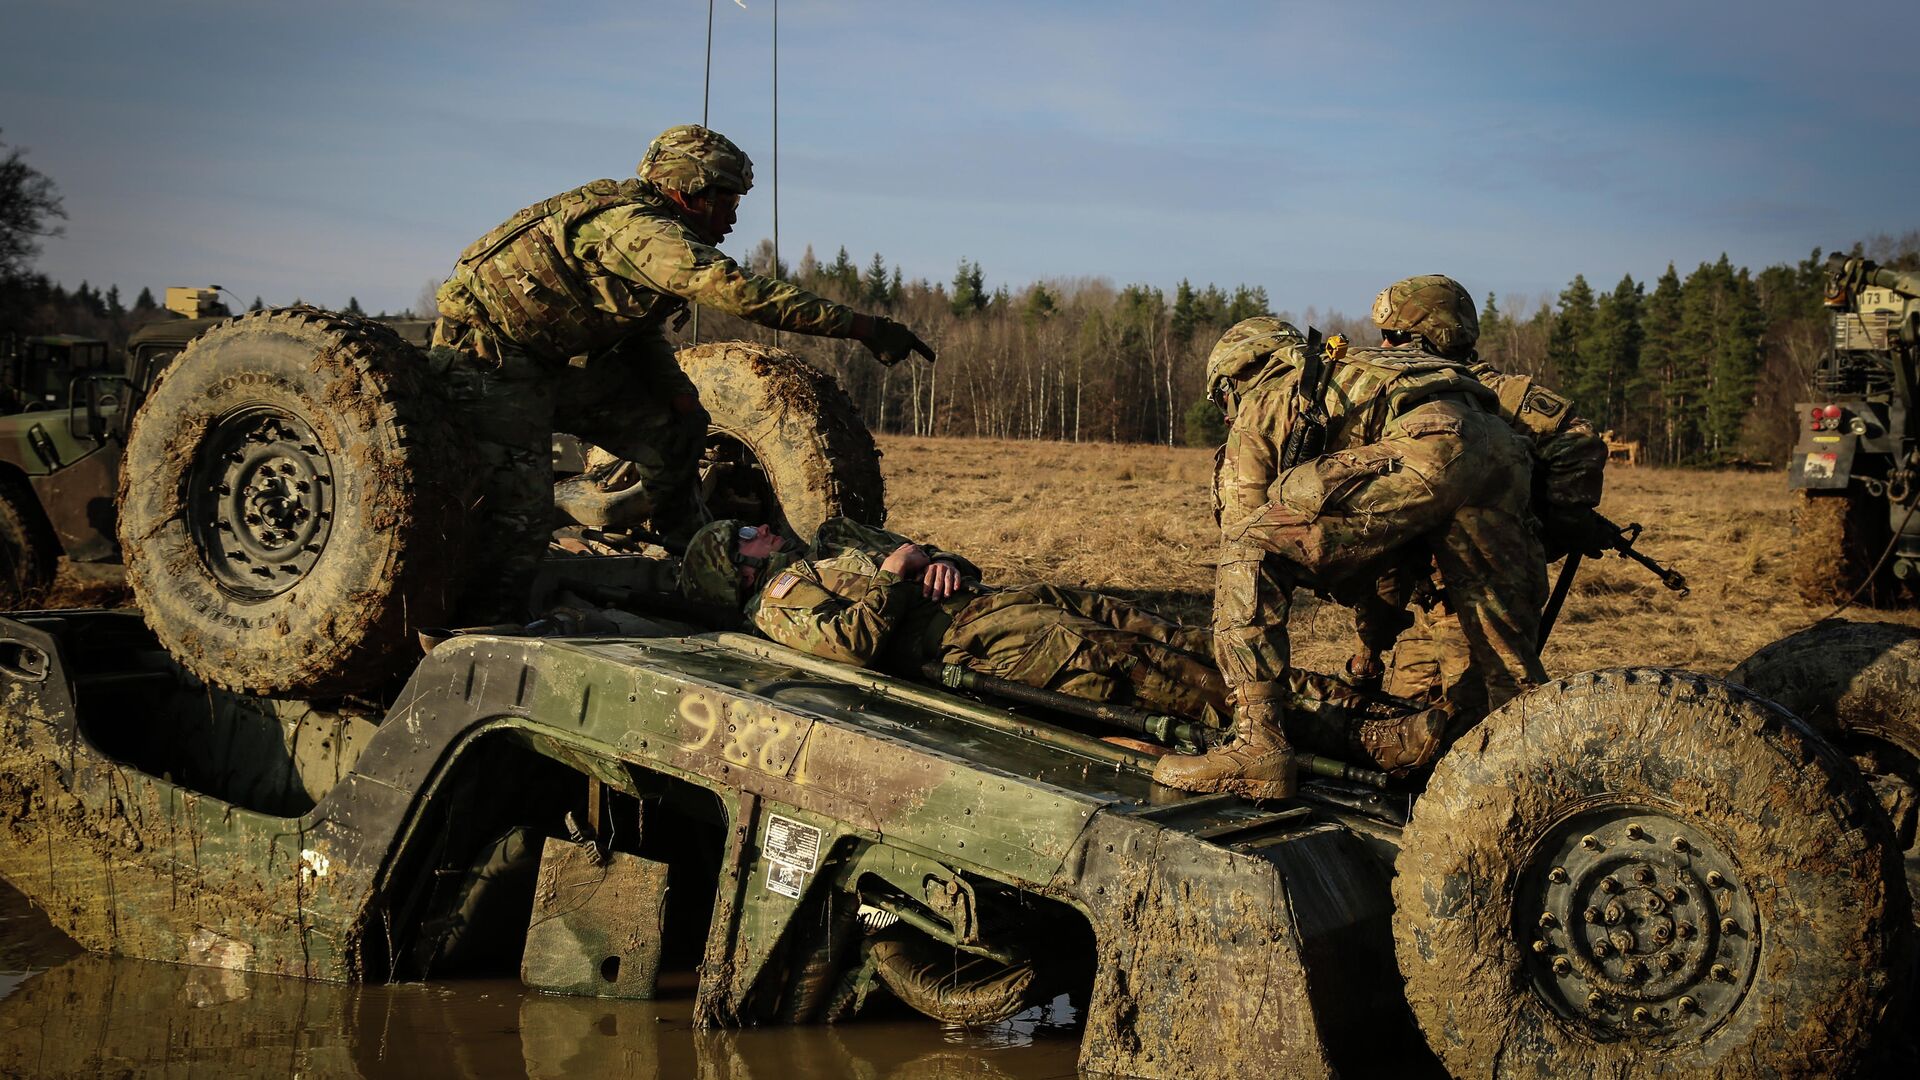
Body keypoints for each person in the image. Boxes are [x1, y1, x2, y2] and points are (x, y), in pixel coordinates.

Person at [430, 124, 934, 619]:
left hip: (556, 364)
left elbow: (633, 328)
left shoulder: (656, 232)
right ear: (687, 191)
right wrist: (862, 326)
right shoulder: (639, 230)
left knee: (675, 429)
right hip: (488, 364)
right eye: (727, 203)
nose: (733, 220)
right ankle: (477, 628)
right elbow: (735, 290)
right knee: (520, 518)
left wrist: (679, 399)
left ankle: (692, 564)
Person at [1151, 307, 1544, 799]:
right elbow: (1387, 562)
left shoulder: (1270, 393)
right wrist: (1368, 649)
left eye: (1222, 401)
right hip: (1498, 446)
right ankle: (1532, 764)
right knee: (1497, 642)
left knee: (1250, 543)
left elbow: (1245, 522)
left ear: (1235, 376)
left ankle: (1257, 746)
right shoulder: (1356, 369)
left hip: (1422, 448)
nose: (1227, 414)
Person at [677, 516, 1438, 770]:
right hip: (993, 646)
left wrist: (934, 563)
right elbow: (851, 645)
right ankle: (1365, 740)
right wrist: (894, 573)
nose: (764, 529)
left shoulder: (820, 553)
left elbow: (926, 558)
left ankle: (1358, 705)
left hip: (1004, 605)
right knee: (1169, 680)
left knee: (1190, 643)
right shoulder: (775, 608)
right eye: (747, 536)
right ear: (736, 569)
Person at [1346, 276, 1608, 718]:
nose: (1384, 347)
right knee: (1410, 714)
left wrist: (1542, 521)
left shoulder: (1503, 396)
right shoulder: (1402, 395)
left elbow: (1578, 444)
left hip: (1484, 588)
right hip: (1425, 589)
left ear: (1431, 337)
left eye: (1393, 337)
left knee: (1489, 712)